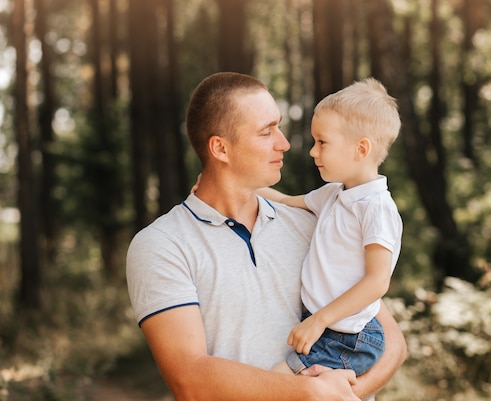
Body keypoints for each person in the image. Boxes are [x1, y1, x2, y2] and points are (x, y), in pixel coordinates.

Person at [126, 72, 406, 401]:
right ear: (220, 148)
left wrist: (340, 395)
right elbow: (190, 380)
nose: (284, 143)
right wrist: (309, 393)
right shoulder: (162, 245)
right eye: (266, 131)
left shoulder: (313, 223)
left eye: (279, 126)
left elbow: (392, 341)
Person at [257, 78, 402, 378]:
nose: (312, 151)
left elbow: (377, 282)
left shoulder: (377, 209)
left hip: (347, 337)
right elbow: (285, 201)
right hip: (326, 327)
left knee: (275, 385)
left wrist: (319, 320)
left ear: (361, 149)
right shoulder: (333, 194)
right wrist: (234, 188)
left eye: (322, 142)